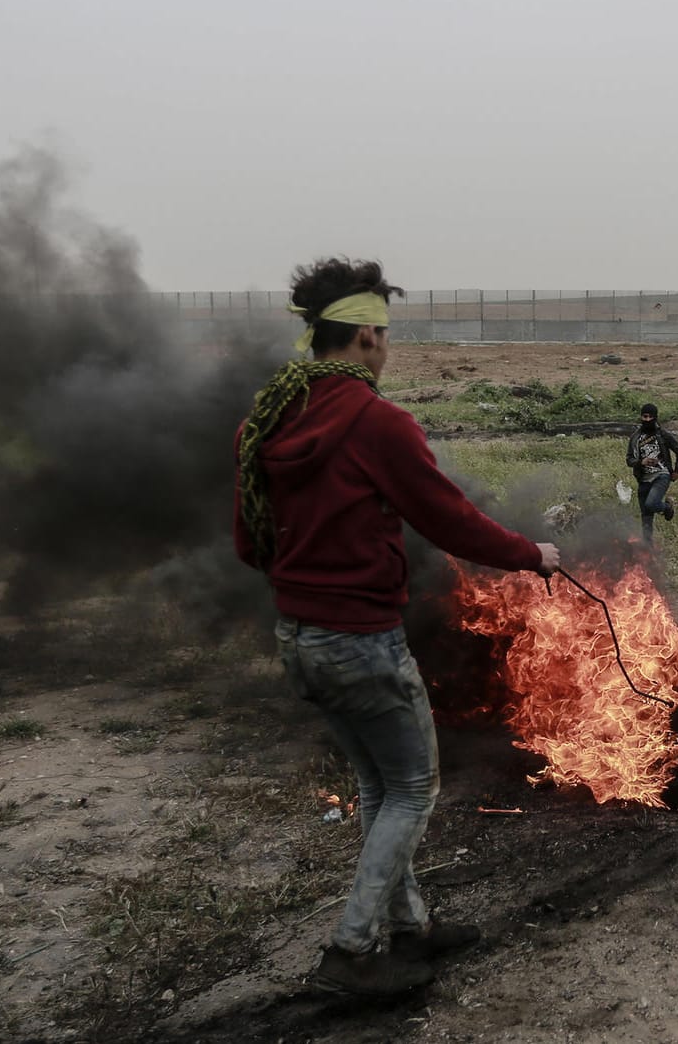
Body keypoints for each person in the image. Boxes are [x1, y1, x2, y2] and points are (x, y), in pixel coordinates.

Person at [234, 257, 560, 998]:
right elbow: (447, 517)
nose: (387, 348)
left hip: (299, 637)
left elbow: (249, 543)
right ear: (367, 337)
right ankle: (352, 951)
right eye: (384, 335)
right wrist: (529, 555)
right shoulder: (377, 423)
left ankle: (411, 926)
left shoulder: (267, 420)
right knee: (412, 787)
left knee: (380, 786)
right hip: (361, 643)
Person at [625, 403, 678, 543]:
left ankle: (667, 508)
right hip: (643, 478)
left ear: (655, 418)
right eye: (644, 416)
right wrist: (641, 462)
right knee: (646, 515)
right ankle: (648, 547)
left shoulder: (662, 434)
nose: (647, 419)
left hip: (661, 475)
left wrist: (677, 470)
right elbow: (629, 459)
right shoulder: (635, 437)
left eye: (650, 417)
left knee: (651, 504)